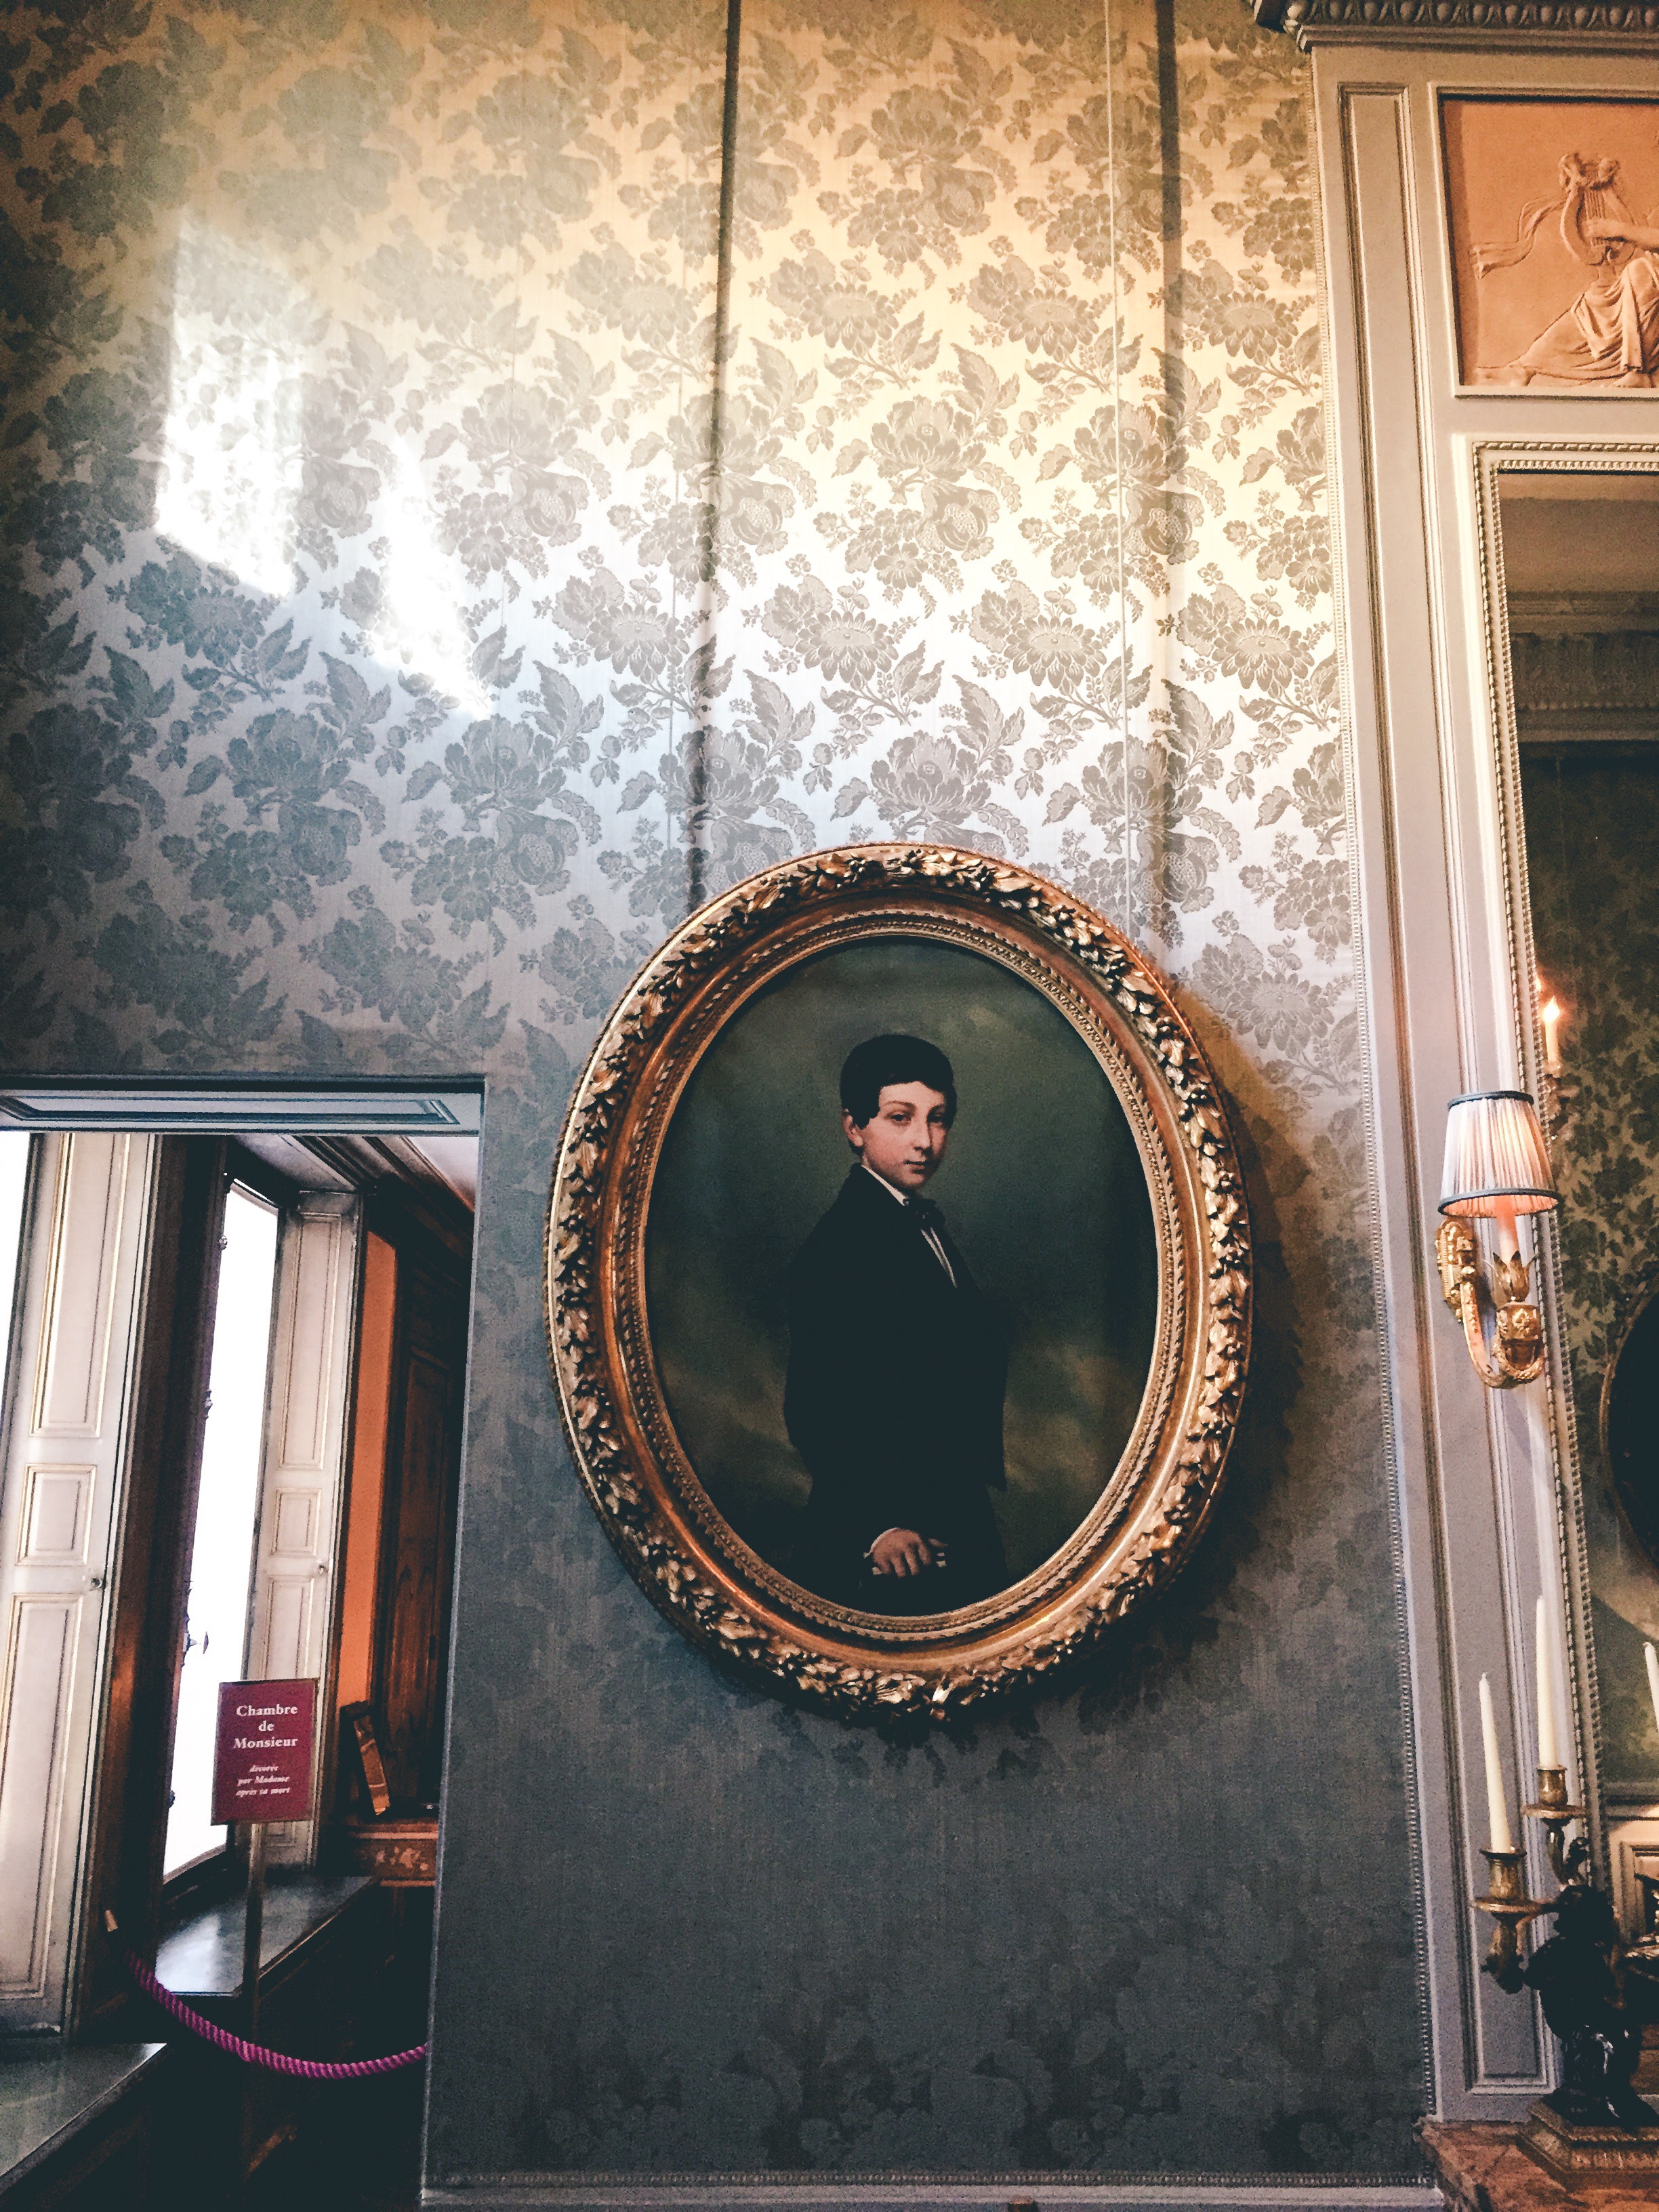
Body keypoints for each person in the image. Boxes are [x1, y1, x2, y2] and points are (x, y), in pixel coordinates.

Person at [783, 1033, 1008, 1615]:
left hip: (949, 1507)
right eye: (900, 1118)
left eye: (938, 1119)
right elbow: (814, 1406)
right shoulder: (841, 1245)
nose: (924, 1141)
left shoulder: (916, 1224)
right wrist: (877, 1527)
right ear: (854, 1127)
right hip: (887, 1539)